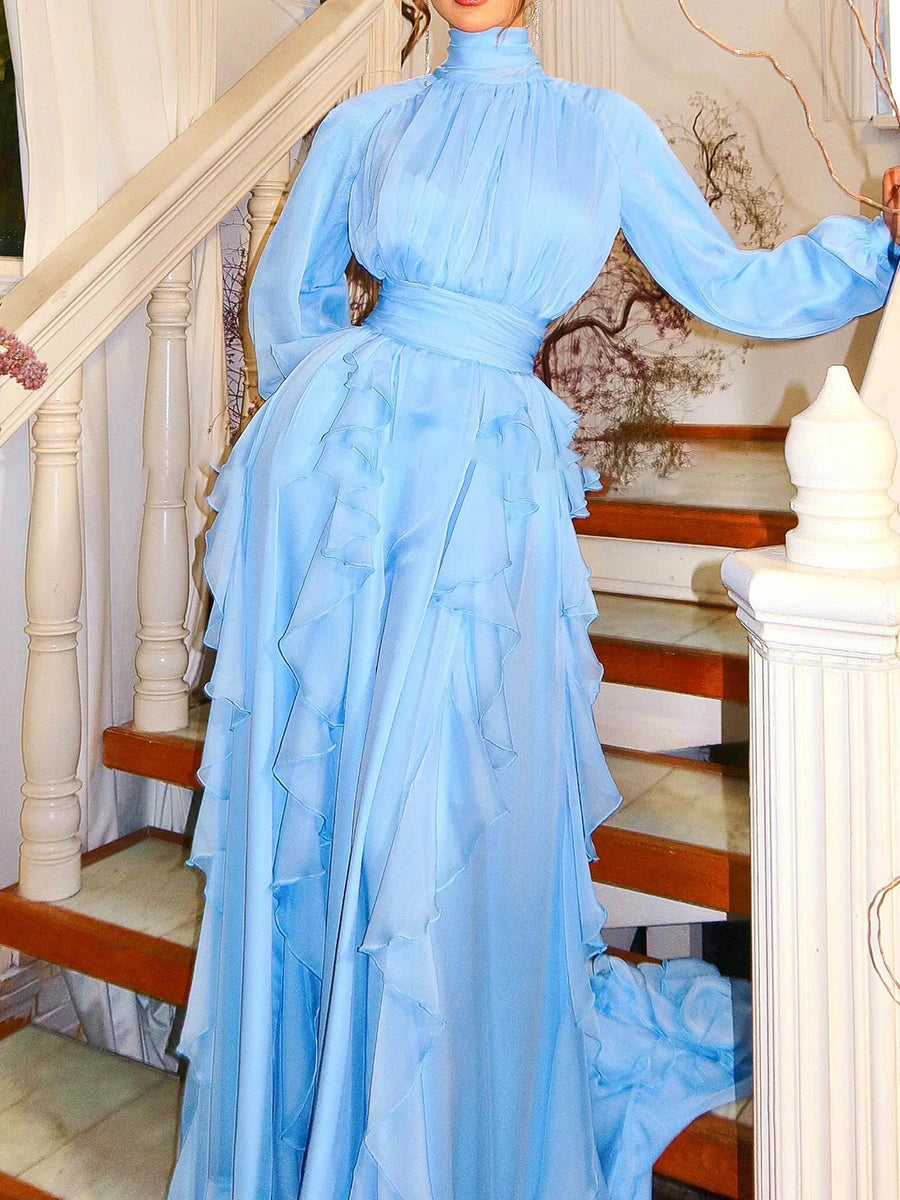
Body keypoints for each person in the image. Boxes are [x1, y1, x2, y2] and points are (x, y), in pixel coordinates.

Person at [166, 2, 900, 1197]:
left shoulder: (600, 128)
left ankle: (436, 1134)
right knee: (342, 810)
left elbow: (730, 281)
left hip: (488, 500)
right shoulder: (365, 123)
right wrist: (328, 455)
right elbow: (285, 300)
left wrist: (876, 252)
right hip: (354, 499)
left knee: (450, 805)